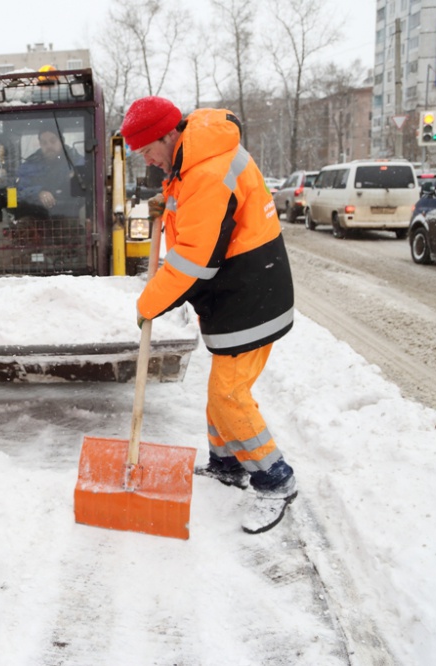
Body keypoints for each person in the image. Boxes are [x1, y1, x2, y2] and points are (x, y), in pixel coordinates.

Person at [120, 97, 297, 535]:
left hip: (251, 291)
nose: (148, 160)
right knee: (222, 388)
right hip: (237, 291)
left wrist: (150, 303)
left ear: (168, 135)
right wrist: (168, 203)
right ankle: (227, 465)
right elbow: (198, 220)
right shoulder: (193, 159)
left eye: (147, 151)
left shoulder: (206, 169)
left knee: (228, 395)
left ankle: (275, 479)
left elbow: (195, 260)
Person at [15, 128, 85, 217]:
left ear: (62, 141)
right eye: (44, 143)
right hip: (35, 220)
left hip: (72, 219)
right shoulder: (28, 167)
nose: (49, 146)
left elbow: (88, 189)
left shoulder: (76, 162)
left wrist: (72, 180)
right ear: (40, 144)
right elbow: (16, 192)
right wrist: (38, 192)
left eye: (53, 141)